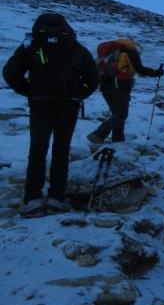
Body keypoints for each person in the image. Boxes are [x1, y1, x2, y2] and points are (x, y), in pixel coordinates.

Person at [2, 13, 99, 217]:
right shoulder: (75, 46)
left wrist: (30, 90)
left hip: (40, 104)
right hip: (68, 105)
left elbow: (10, 73)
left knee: (37, 149)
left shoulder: (31, 44)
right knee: (61, 150)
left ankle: (33, 200)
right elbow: (93, 79)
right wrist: (77, 95)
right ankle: (57, 198)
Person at [87, 37, 164, 143]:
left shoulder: (107, 52)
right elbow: (139, 69)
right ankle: (98, 135)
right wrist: (155, 72)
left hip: (105, 86)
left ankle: (118, 141)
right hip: (120, 86)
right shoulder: (129, 51)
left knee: (117, 115)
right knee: (121, 115)